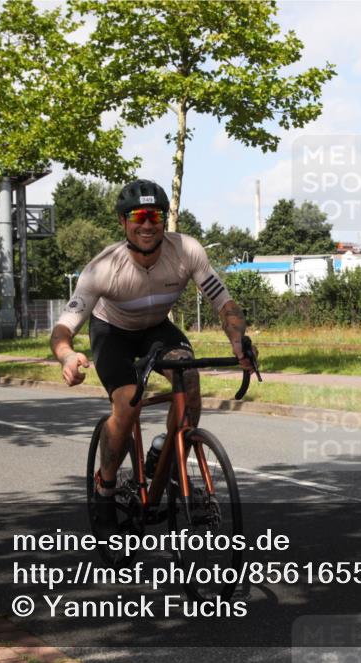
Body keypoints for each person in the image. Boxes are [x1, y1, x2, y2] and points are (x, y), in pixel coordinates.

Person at [49, 179, 256, 535]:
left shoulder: (187, 251)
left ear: (164, 219)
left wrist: (238, 340)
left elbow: (225, 303)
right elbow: (63, 329)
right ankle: (107, 486)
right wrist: (67, 356)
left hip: (157, 329)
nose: (147, 224)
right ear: (123, 222)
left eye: (155, 215)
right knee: (128, 405)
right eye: (138, 216)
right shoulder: (102, 268)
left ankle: (168, 454)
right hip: (112, 333)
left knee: (188, 381)